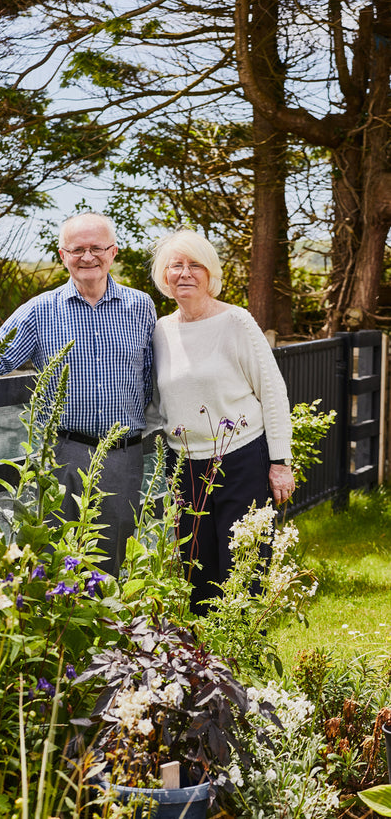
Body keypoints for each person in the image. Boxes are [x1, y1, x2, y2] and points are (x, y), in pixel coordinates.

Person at [0, 212, 157, 576]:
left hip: (122, 456)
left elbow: (151, 377)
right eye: (77, 249)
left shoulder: (141, 307)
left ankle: (109, 632)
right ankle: (53, 631)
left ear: (113, 252)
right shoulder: (40, 311)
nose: (88, 257)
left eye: (96, 248)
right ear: (62, 254)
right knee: (53, 559)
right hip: (61, 455)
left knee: (112, 560)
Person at [149, 228, 295, 615]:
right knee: (197, 570)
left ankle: (244, 662)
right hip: (184, 467)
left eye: (194, 264)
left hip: (241, 459)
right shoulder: (161, 331)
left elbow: (273, 392)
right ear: (164, 276)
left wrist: (280, 462)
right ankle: (207, 667)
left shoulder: (237, 322)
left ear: (210, 272)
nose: (184, 273)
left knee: (244, 565)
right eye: (174, 265)